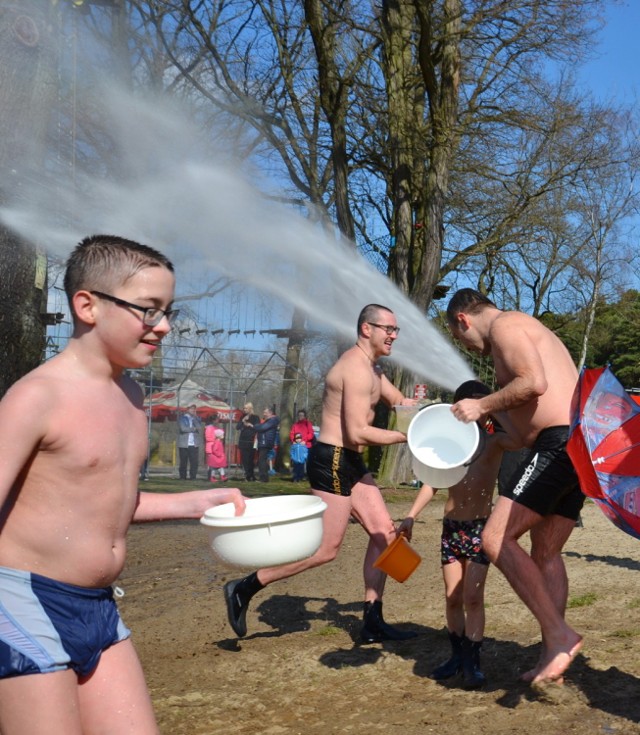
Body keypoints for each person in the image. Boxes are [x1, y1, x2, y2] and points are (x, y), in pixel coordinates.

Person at [0, 234, 247, 734]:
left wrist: (198, 501)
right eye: (150, 310)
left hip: (99, 608)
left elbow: (110, 502)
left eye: (168, 311)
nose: (166, 327)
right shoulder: (36, 398)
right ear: (88, 305)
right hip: (22, 603)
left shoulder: (132, 396)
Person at [224, 304, 418, 643]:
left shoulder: (374, 369)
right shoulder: (355, 369)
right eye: (387, 328)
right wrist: (406, 435)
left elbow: (399, 402)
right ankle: (245, 586)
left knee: (385, 534)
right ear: (365, 329)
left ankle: (372, 620)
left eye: (396, 330)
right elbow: (357, 432)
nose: (393, 335)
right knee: (327, 550)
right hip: (331, 460)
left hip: (351, 461)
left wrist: (419, 408)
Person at [446, 288, 584, 685]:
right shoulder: (524, 330)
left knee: (495, 539)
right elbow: (525, 430)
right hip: (574, 442)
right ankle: (552, 655)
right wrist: (493, 428)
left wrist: (483, 404)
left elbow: (534, 383)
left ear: (463, 320)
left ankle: (559, 636)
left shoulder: (506, 325)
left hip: (558, 444)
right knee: (546, 552)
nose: (469, 348)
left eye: (461, 339)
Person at [398, 380, 517, 689]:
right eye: (472, 401)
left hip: (480, 527)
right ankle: (457, 657)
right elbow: (431, 481)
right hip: (451, 528)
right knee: (453, 598)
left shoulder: (494, 441)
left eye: (482, 402)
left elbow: (521, 438)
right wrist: (411, 516)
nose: (476, 407)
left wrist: (495, 407)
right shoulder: (450, 441)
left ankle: (474, 663)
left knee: (473, 597)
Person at [255, 406, 280, 482]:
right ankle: (264, 477)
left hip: (265, 442)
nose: (264, 414)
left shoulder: (272, 420)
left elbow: (262, 428)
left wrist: (256, 426)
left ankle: (263, 478)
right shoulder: (268, 420)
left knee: (261, 460)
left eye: (265, 412)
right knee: (262, 460)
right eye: (264, 412)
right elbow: (261, 427)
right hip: (263, 442)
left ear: (270, 413)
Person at [177, 404, 202, 480]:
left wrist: (194, 418)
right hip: (184, 444)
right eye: (191, 409)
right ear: (187, 409)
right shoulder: (182, 418)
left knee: (194, 462)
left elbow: (199, 428)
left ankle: (193, 477)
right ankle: (182, 477)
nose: (193, 410)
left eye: (194, 409)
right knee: (183, 462)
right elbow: (183, 429)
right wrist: (193, 429)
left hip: (194, 444)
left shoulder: (197, 419)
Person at [236, 402, 259, 481]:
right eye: (244, 408)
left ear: (250, 409)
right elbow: (237, 427)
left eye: (245, 408)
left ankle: (251, 475)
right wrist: (242, 421)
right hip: (243, 441)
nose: (244, 409)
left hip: (251, 441)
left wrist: (250, 425)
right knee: (245, 459)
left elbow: (258, 427)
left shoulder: (255, 417)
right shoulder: (242, 417)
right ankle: (247, 475)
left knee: (251, 459)